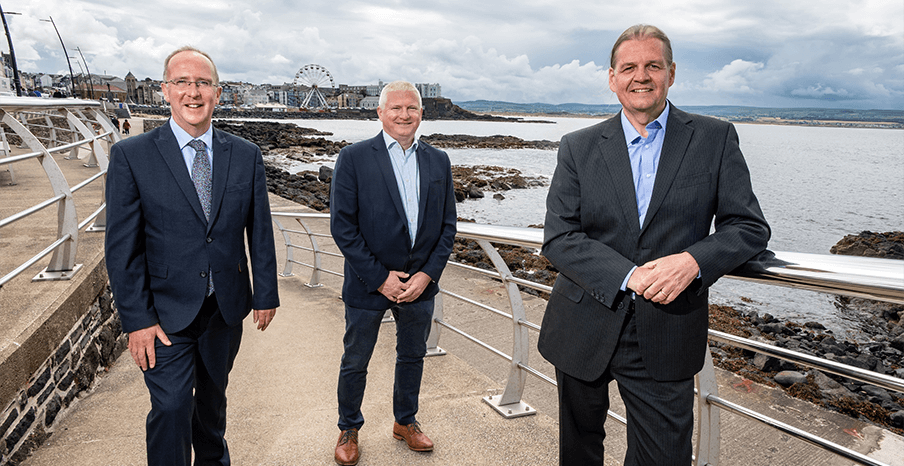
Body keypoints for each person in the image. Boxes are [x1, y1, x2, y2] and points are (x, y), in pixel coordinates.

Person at [538, 24, 770, 465]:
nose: (640, 76)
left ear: (671, 73)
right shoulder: (578, 146)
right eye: (629, 67)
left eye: (652, 65)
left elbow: (748, 227)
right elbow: (560, 236)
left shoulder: (714, 137)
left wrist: (693, 261)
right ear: (612, 78)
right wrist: (629, 275)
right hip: (582, 322)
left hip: (667, 330)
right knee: (579, 452)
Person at [104, 46, 279, 466]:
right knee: (171, 407)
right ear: (165, 90)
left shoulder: (245, 154)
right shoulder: (132, 156)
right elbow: (121, 247)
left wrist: (266, 293)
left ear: (218, 93)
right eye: (182, 82)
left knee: (212, 406)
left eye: (202, 83)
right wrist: (138, 320)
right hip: (164, 312)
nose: (193, 92)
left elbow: (259, 229)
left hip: (225, 308)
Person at [329, 80, 457, 465]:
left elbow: (448, 225)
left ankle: (406, 422)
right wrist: (380, 277)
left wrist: (427, 275)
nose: (404, 115)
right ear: (380, 112)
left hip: (420, 285)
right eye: (396, 108)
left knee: (412, 355)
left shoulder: (438, 161)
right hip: (370, 284)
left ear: (422, 113)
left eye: (412, 108)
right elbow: (343, 227)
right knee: (356, 359)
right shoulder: (353, 158)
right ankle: (348, 427)